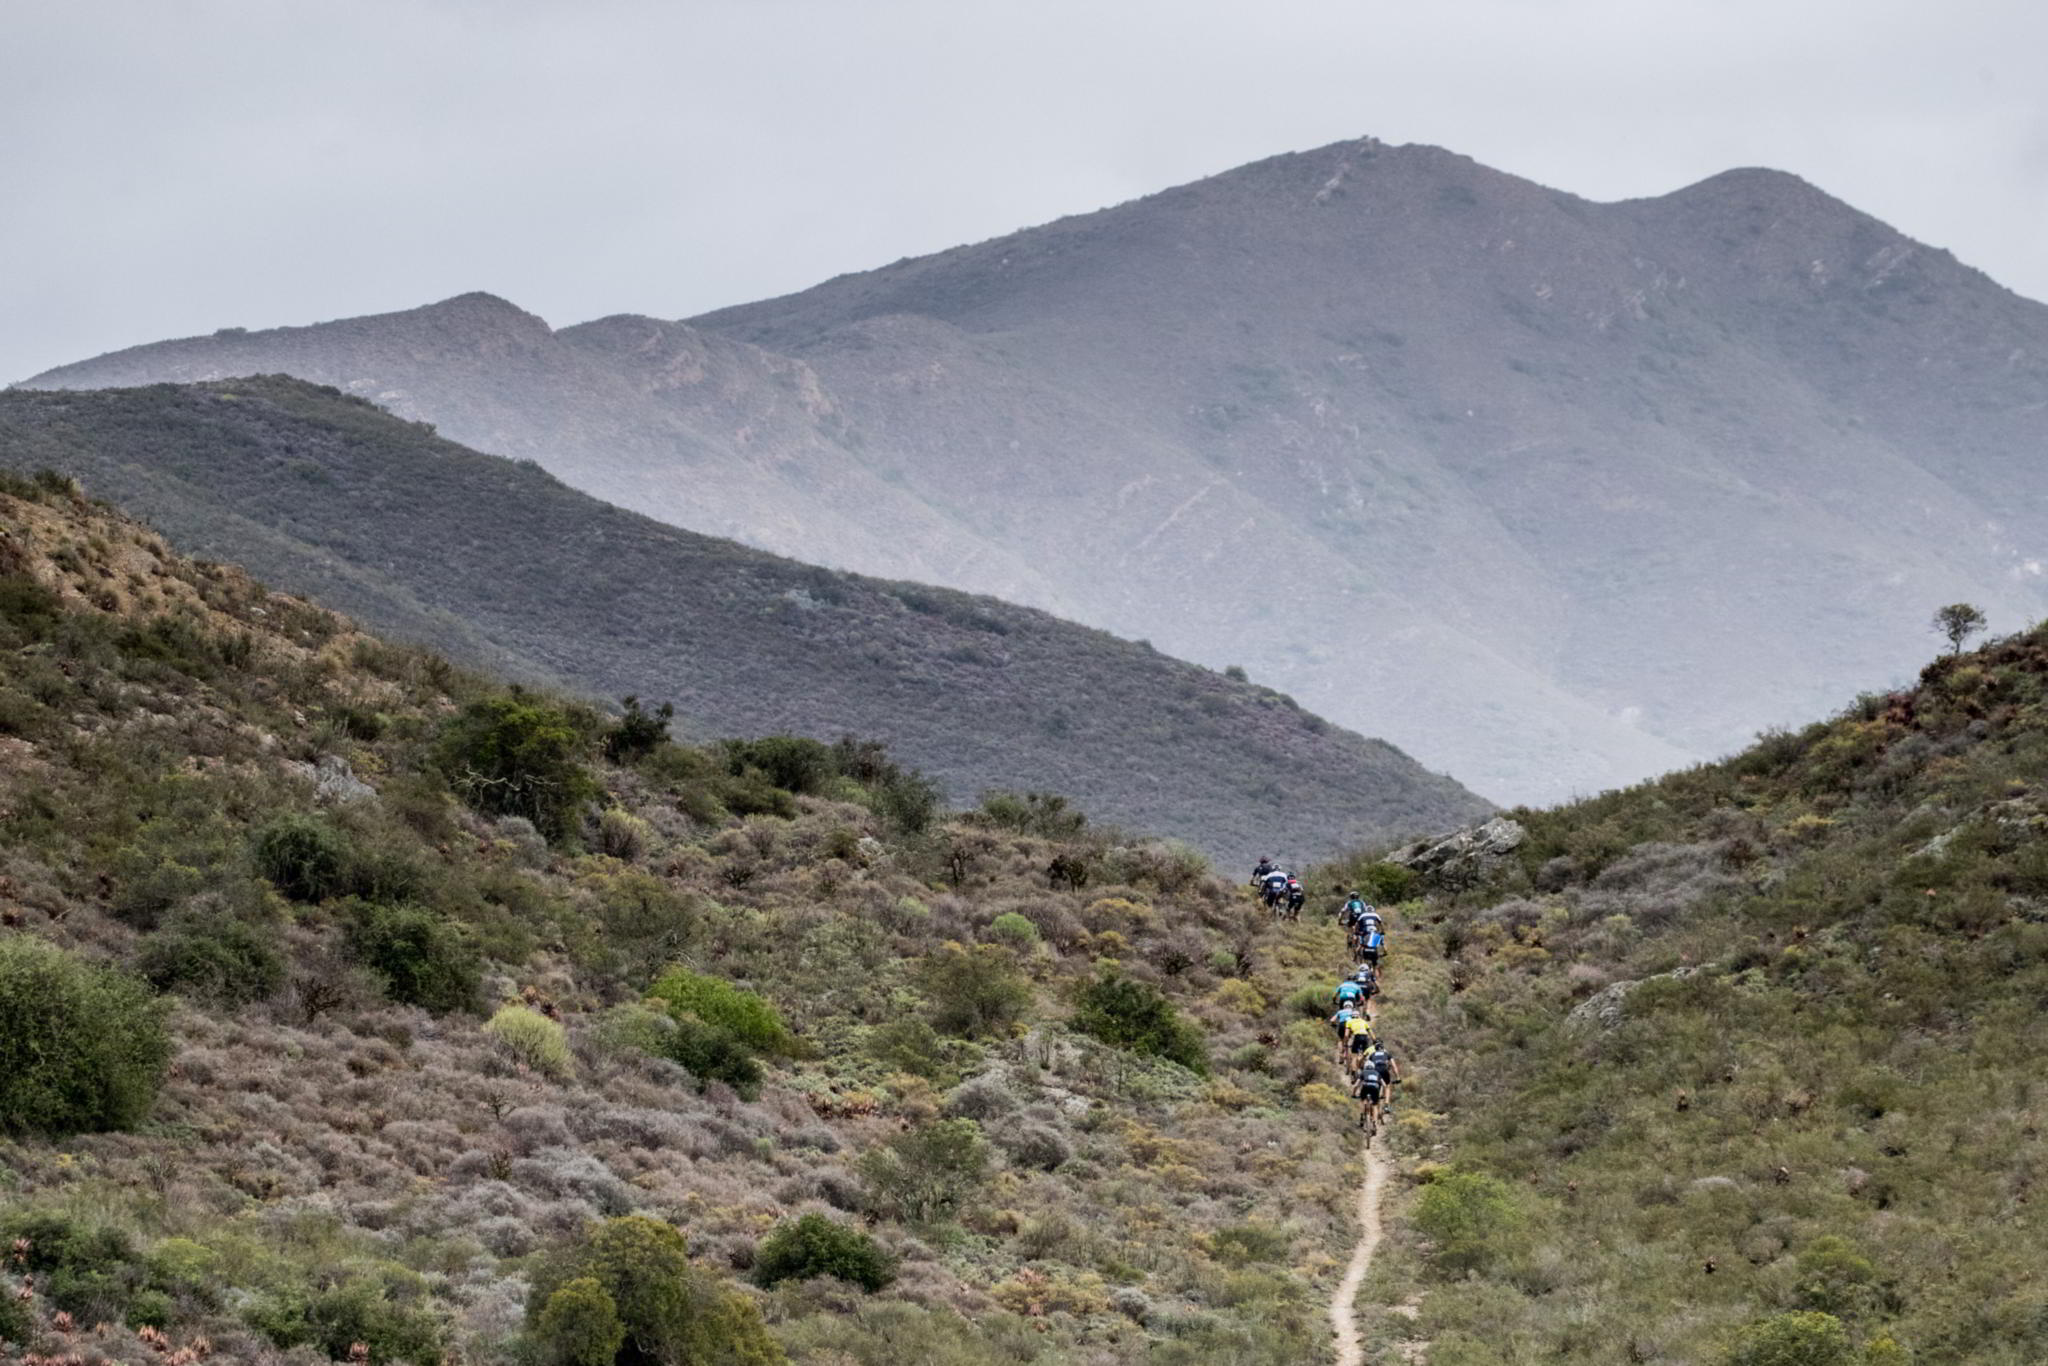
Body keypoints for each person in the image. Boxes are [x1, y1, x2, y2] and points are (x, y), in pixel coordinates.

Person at [1353, 1061, 1385, 1134]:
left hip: (1366, 1087)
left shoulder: (1363, 1072)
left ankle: (1361, 1116)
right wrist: (1383, 1095)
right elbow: (1384, 1085)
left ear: (1365, 1067)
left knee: (1362, 1100)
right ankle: (1374, 1123)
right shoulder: (1377, 1073)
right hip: (1375, 1089)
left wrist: (1353, 1094)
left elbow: (1356, 1085)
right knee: (1375, 1105)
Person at [1369, 1041, 1402, 1112]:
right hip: (1384, 1070)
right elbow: (1394, 1066)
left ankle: (1372, 1099)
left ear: (1375, 1049)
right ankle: (1386, 1106)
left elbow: (1368, 1066)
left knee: (1374, 1086)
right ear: (1383, 1049)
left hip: (1375, 1071)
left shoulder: (1372, 1055)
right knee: (1387, 1086)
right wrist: (1398, 1077)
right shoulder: (1387, 1054)